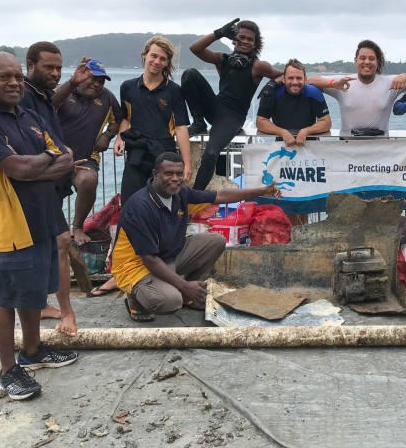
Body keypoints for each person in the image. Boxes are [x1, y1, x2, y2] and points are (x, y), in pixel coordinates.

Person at [0, 52, 80, 400]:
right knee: (6, 296)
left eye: (16, 76)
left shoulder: (26, 115)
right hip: (10, 224)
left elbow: (67, 157)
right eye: (3, 77)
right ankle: (8, 371)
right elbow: (19, 169)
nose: (13, 83)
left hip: (42, 217)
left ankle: (33, 351)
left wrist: (44, 161)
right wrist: (48, 160)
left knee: (33, 291)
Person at [111, 152, 282, 321]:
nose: (175, 178)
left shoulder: (181, 195)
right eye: (168, 173)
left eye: (179, 173)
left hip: (167, 255)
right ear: (155, 175)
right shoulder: (140, 207)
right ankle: (136, 299)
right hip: (137, 267)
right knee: (171, 301)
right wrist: (184, 286)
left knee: (216, 241)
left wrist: (261, 191)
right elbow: (149, 259)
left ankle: (188, 294)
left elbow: (220, 196)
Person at [20, 41, 92, 335]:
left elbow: (51, 105)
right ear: (31, 66)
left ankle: (40, 305)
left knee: (48, 245)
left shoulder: (40, 94)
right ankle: (66, 311)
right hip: (39, 183)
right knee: (61, 241)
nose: (54, 73)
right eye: (48, 67)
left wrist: (73, 82)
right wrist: (58, 160)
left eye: (58, 68)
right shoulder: (22, 94)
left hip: (53, 180)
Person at [181, 19, 283, 190]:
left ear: (255, 43)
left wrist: (271, 86)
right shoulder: (223, 59)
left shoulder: (258, 66)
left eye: (250, 39)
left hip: (232, 117)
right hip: (216, 107)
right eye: (241, 37)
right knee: (189, 74)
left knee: (211, 153)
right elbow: (195, 49)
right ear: (234, 39)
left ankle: (194, 198)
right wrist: (219, 33)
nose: (245, 41)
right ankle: (198, 122)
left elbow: (287, 76)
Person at [114, 36, 191, 203]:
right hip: (136, 152)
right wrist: (119, 138)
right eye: (153, 56)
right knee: (130, 203)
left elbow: (180, 127)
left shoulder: (174, 91)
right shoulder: (127, 87)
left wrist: (186, 162)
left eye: (163, 59)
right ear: (144, 55)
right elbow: (126, 118)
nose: (157, 61)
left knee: (163, 203)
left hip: (164, 155)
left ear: (167, 63)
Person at [55, 60, 122, 246]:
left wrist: (108, 135)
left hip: (86, 158)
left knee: (88, 180)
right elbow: (48, 105)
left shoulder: (107, 97)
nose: (97, 84)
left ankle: (77, 226)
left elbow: (119, 119)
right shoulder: (65, 91)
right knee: (51, 196)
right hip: (55, 158)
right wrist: (71, 84)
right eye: (92, 78)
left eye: (101, 81)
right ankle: (55, 231)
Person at [308, 39, 406, 137]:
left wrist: (405, 76)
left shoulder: (390, 82)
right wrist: (332, 84)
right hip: (347, 148)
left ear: (378, 62)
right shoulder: (343, 82)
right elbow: (310, 80)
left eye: (371, 58)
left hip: (380, 149)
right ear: (355, 60)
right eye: (362, 58)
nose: (367, 62)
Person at [256, 59, 332, 146]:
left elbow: (326, 122)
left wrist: (306, 131)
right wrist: (282, 132)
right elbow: (260, 121)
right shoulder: (273, 94)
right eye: (291, 78)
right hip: (282, 144)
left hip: (311, 145)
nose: (295, 82)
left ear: (305, 79)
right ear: (284, 79)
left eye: (299, 78)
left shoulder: (313, 92)